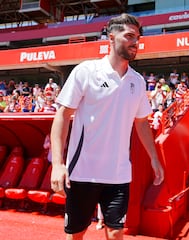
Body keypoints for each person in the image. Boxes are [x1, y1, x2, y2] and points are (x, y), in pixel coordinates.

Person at [50, 13, 164, 240]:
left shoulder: (137, 81)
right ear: (111, 38)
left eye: (138, 37)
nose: (135, 42)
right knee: (76, 234)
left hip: (119, 174)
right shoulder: (86, 71)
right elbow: (62, 116)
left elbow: (141, 122)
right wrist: (57, 164)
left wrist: (154, 157)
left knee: (115, 233)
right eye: (129, 36)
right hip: (82, 172)